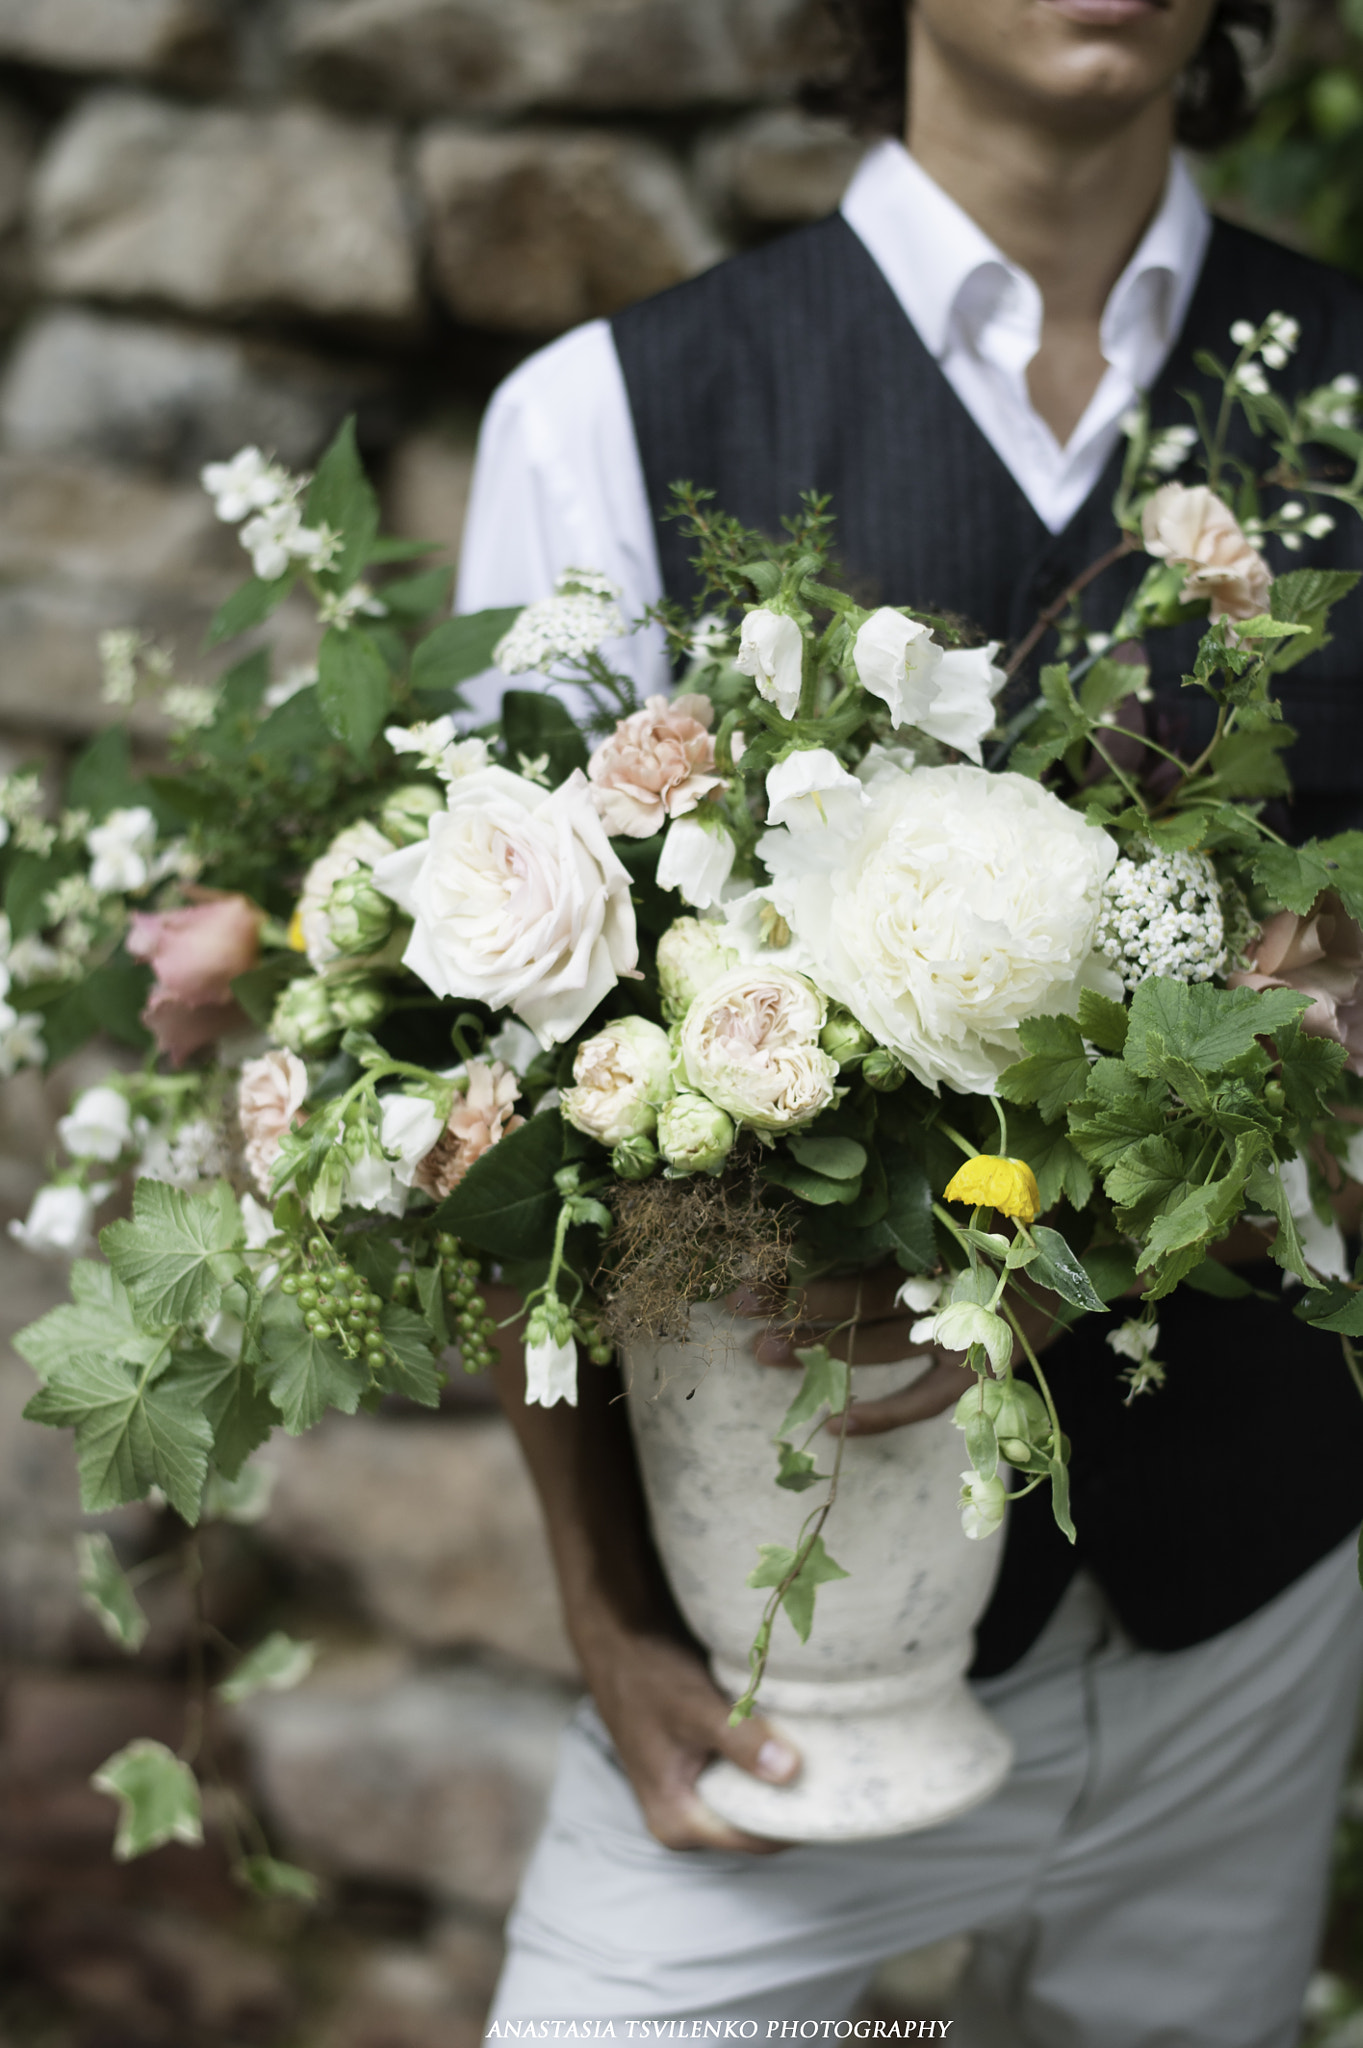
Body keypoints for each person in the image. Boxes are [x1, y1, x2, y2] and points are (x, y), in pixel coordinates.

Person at [458, 0, 1363, 2038]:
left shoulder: (1351, 393)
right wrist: (597, 1607)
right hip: (787, 1666)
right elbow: (480, 1100)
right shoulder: (604, 414)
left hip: (1251, 1624)